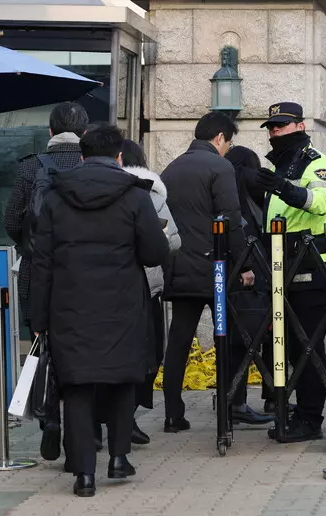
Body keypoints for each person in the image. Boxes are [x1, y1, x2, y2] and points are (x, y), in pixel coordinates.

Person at [30, 124, 169, 497]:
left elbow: (41, 261)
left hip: (69, 306)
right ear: (120, 156)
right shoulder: (135, 196)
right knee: (122, 378)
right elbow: (157, 253)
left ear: (81, 155)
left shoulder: (57, 197)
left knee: (76, 385)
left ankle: (84, 476)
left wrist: (38, 318)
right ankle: (119, 458)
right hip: (122, 305)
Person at [3, 101, 89, 460]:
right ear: (84, 133)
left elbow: (11, 221)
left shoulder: (31, 167)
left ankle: (48, 417)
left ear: (50, 132)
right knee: (83, 350)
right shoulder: (92, 166)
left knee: (42, 348)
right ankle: (82, 430)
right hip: (82, 276)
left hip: (38, 273)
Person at [161, 112, 256, 433]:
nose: (228, 149)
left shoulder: (171, 169)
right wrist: (244, 264)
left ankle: (173, 414)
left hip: (180, 267)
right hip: (215, 270)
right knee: (228, 337)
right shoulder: (220, 167)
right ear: (220, 138)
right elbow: (230, 219)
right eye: (229, 143)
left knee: (178, 340)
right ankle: (229, 408)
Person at [250, 102, 326, 443]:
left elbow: (321, 202)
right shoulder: (281, 164)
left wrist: (284, 188)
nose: (274, 132)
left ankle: (311, 418)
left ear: (300, 126)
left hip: (311, 265)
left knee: (309, 345)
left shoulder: (315, 162)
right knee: (287, 346)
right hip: (281, 262)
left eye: (281, 126)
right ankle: (297, 412)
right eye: (271, 127)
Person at [120, 139, 182, 439]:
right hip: (146, 288)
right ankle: (127, 419)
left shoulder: (102, 191)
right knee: (148, 353)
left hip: (103, 289)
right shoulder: (153, 194)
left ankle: (100, 422)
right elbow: (173, 242)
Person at [223, 146, 277, 424]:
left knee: (237, 341)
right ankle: (245, 402)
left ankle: (233, 400)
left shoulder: (226, 189)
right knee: (253, 339)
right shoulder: (255, 188)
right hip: (253, 275)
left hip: (233, 274)